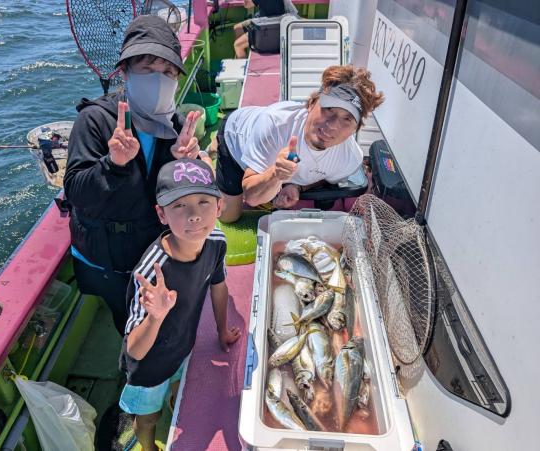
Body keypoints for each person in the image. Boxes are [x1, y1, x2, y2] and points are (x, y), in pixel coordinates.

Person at [64, 16, 203, 335]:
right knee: (127, 320)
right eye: (147, 69)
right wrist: (113, 164)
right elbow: (76, 192)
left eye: (168, 72)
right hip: (109, 258)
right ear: (125, 72)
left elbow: (183, 198)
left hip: (155, 248)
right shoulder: (95, 120)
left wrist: (186, 165)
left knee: (162, 316)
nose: (159, 80)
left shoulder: (176, 125)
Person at [119, 158, 241, 451]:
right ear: (161, 214)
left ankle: (176, 401)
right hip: (149, 365)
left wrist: (222, 330)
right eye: (179, 206)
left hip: (184, 344)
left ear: (219, 206)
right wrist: (155, 317)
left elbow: (218, 285)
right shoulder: (151, 272)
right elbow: (134, 350)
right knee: (149, 417)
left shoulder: (216, 241)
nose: (194, 215)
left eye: (203, 202)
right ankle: (148, 446)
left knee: (180, 385)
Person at [214, 65, 384, 223]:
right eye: (328, 109)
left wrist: (296, 186)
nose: (332, 125)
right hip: (236, 137)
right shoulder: (275, 124)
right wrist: (276, 174)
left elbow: (323, 177)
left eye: (347, 119)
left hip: (269, 152)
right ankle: (210, 155)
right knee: (228, 217)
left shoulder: (349, 158)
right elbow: (252, 197)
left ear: (355, 129)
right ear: (311, 103)